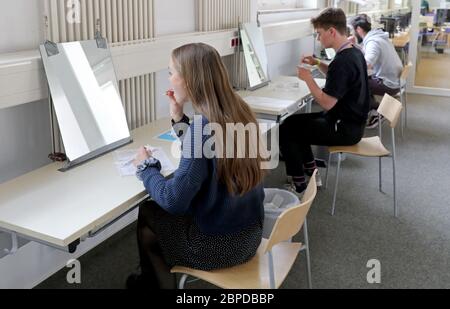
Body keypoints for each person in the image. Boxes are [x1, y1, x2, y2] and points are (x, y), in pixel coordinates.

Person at [127, 43, 266, 289]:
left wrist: (146, 168)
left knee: (149, 212)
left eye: (171, 72)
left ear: (189, 80)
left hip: (216, 247)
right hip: (251, 236)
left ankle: (152, 283)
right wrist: (180, 119)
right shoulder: (241, 111)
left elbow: (173, 200)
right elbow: (208, 154)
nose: (168, 79)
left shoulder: (202, 127)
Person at [280, 8, 370, 195]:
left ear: (332, 32)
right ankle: (313, 175)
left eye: (319, 34)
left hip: (344, 128)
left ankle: (299, 186)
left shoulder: (343, 60)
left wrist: (308, 79)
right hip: (351, 123)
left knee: (287, 130)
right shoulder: (354, 51)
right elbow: (338, 79)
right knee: (293, 123)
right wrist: (316, 63)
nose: (318, 39)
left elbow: (327, 102)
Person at [351, 14, 403, 129]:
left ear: (358, 29)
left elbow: (367, 64)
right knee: (363, 82)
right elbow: (369, 53)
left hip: (388, 83)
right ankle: (373, 110)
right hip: (395, 80)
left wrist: (348, 65)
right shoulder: (378, 37)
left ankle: (377, 111)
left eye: (354, 31)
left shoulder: (373, 42)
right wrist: (354, 45)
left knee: (354, 84)